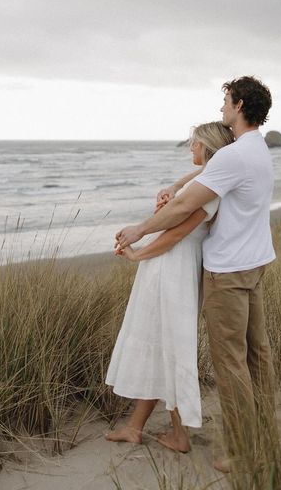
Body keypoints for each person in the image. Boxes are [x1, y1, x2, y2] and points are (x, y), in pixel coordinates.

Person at [115, 76, 276, 472]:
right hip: (252, 265)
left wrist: (139, 230)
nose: (222, 108)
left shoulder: (234, 156)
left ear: (239, 105)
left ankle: (242, 452)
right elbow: (202, 177)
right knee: (258, 355)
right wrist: (177, 182)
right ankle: (264, 438)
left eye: (225, 101)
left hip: (228, 273)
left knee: (231, 363)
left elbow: (184, 208)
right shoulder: (253, 149)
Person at [105, 122, 234, 453]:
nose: (191, 148)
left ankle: (179, 435)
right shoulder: (205, 180)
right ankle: (135, 426)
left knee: (171, 346)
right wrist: (173, 186)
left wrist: (137, 255)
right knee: (159, 343)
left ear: (207, 147)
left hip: (172, 271)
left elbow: (176, 234)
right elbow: (193, 184)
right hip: (168, 268)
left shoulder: (210, 192)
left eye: (195, 144)